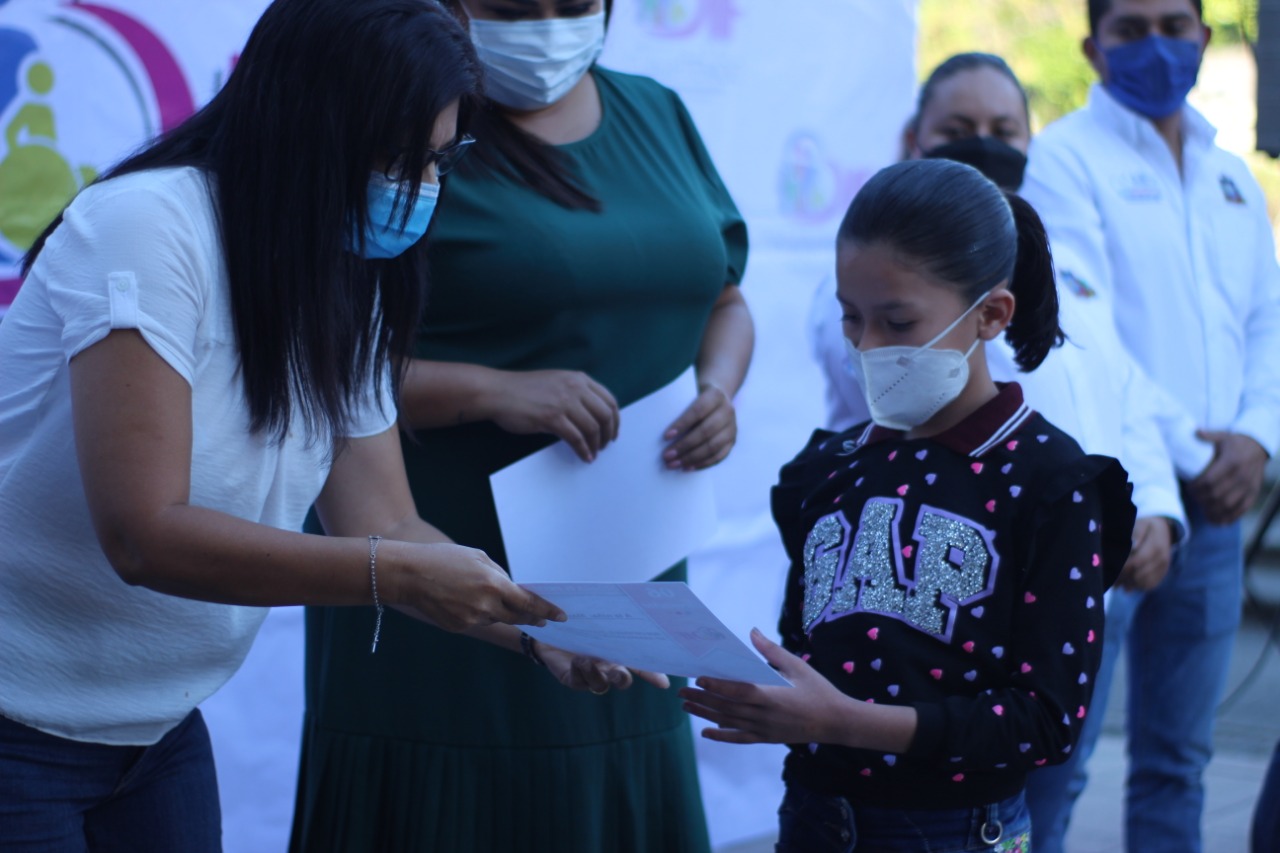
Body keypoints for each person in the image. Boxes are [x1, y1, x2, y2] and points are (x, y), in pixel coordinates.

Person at [0, 2, 655, 849]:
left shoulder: (345, 275)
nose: (418, 189)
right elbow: (143, 534)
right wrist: (397, 574)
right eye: (396, 157)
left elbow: (387, 522)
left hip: (156, 732)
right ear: (306, 123)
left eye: (437, 161)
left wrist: (542, 630)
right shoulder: (148, 227)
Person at [291, 1, 753, 851]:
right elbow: (310, 354)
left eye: (573, 5)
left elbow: (724, 297)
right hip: (433, 562)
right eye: (510, 7)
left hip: (632, 567)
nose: (545, 26)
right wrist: (486, 390)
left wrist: (718, 389)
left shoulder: (657, 111)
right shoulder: (399, 127)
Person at [682, 158, 1136, 852]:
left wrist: (844, 721)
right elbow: (813, 649)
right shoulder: (827, 469)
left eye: (897, 321)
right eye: (851, 318)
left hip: (957, 830)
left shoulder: (1051, 481)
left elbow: (1047, 721)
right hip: (814, 817)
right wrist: (759, 692)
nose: (868, 346)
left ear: (991, 314)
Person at [807, 51, 1193, 852]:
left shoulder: (1068, 276)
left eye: (1002, 128)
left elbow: (1125, 387)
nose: (981, 141)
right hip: (910, 654)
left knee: (1059, 789)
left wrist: (1156, 501)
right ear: (916, 137)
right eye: (959, 128)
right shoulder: (872, 286)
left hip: (1056, 592)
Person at [1020, 1, 1280, 849]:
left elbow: (1266, 324)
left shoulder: (1231, 175)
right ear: (1093, 47)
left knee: (1179, 759)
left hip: (1219, 502)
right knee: (1057, 760)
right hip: (1113, 499)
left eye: (1175, 24)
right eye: (1131, 30)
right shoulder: (1063, 159)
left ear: (1205, 35)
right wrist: (1199, 452)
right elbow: (1089, 335)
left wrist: (1258, 437)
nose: (1158, 47)